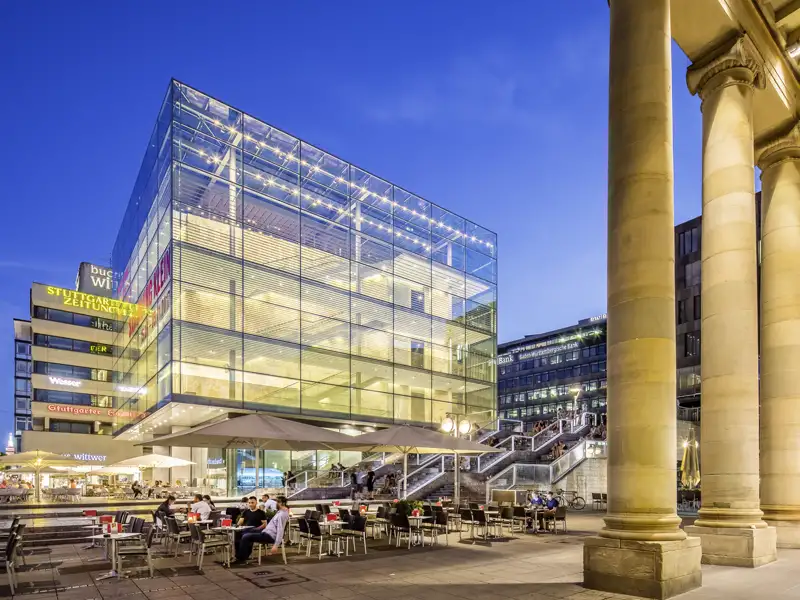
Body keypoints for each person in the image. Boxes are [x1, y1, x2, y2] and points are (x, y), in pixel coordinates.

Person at [232, 495, 289, 564]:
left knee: (246, 536)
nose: (275, 504)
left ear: (281, 503)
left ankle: (241, 558)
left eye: (276, 502)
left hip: (269, 536)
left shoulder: (282, 514)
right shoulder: (280, 512)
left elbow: (280, 529)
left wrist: (276, 545)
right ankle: (240, 556)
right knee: (243, 534)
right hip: (265, 533)